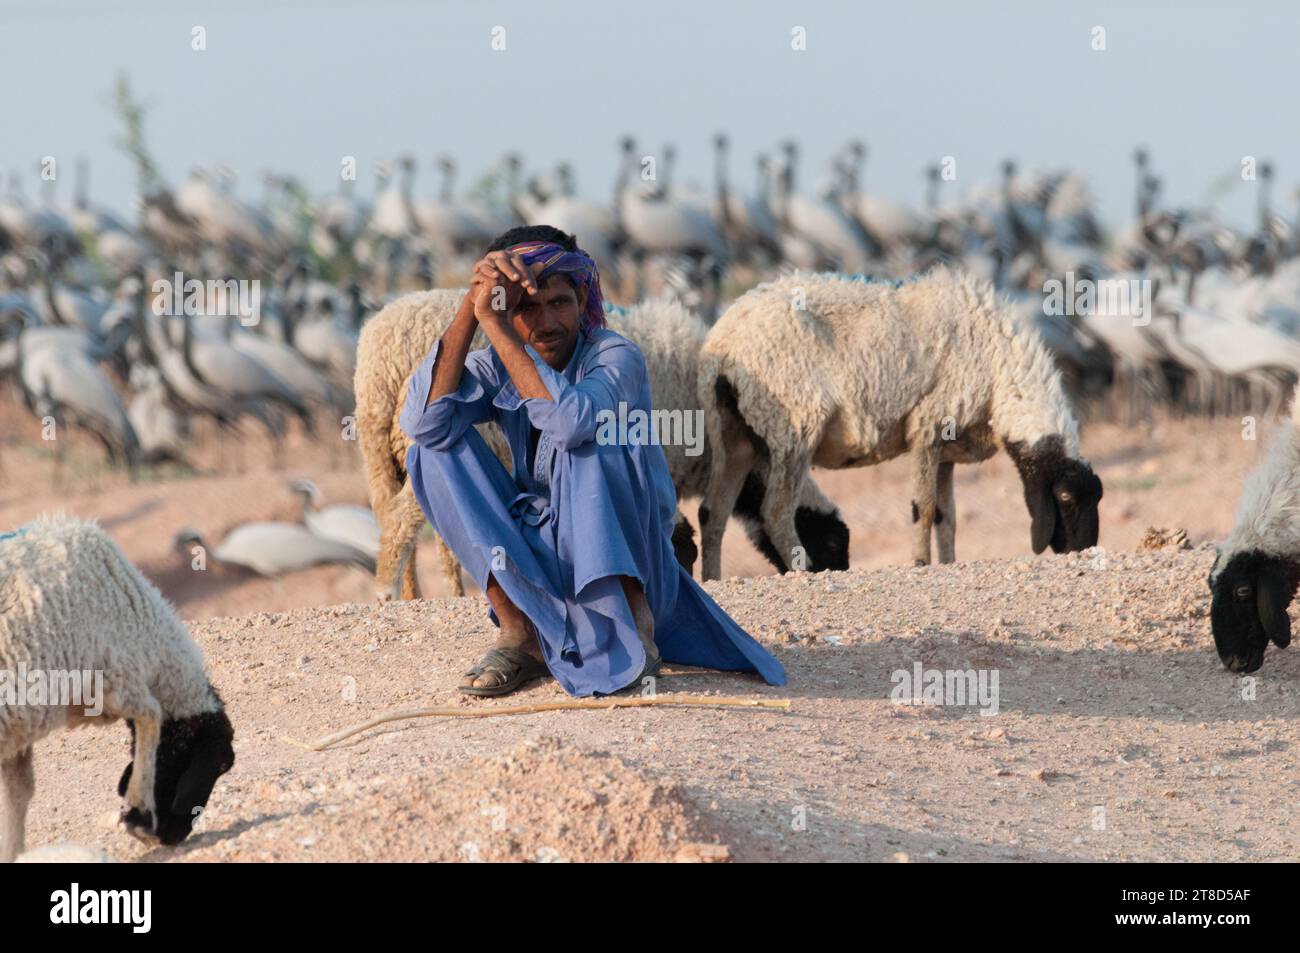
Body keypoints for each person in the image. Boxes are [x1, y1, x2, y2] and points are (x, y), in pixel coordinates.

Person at [399, 225, 786, 697]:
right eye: (527, 307)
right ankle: (522, 631)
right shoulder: (498, 363)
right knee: (432, 450)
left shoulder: (615, 356)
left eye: (558, 302)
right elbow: (424, 423)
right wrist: (472, 310)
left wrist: (502, 328)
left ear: (582, 302)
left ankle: (632, 629)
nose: (546, 323)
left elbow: (570, 424)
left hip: (626, 560)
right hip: (541, 561)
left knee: (591, 438)